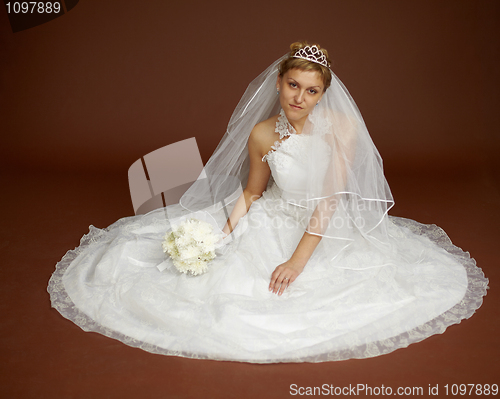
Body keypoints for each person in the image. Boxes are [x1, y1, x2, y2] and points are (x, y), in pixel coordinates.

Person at [48, 42, 488, 363]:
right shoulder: (261, 133)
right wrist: (223, 233)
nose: (300, 98)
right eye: (293, 85)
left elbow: (330, 201)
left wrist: (297, 262)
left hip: (323, 223)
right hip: (274, 214)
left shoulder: (341, 129)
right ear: (278, 82)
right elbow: (253, 192)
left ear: (324, 94)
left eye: (312, 91)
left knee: (322, 289)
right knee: (219, 277)